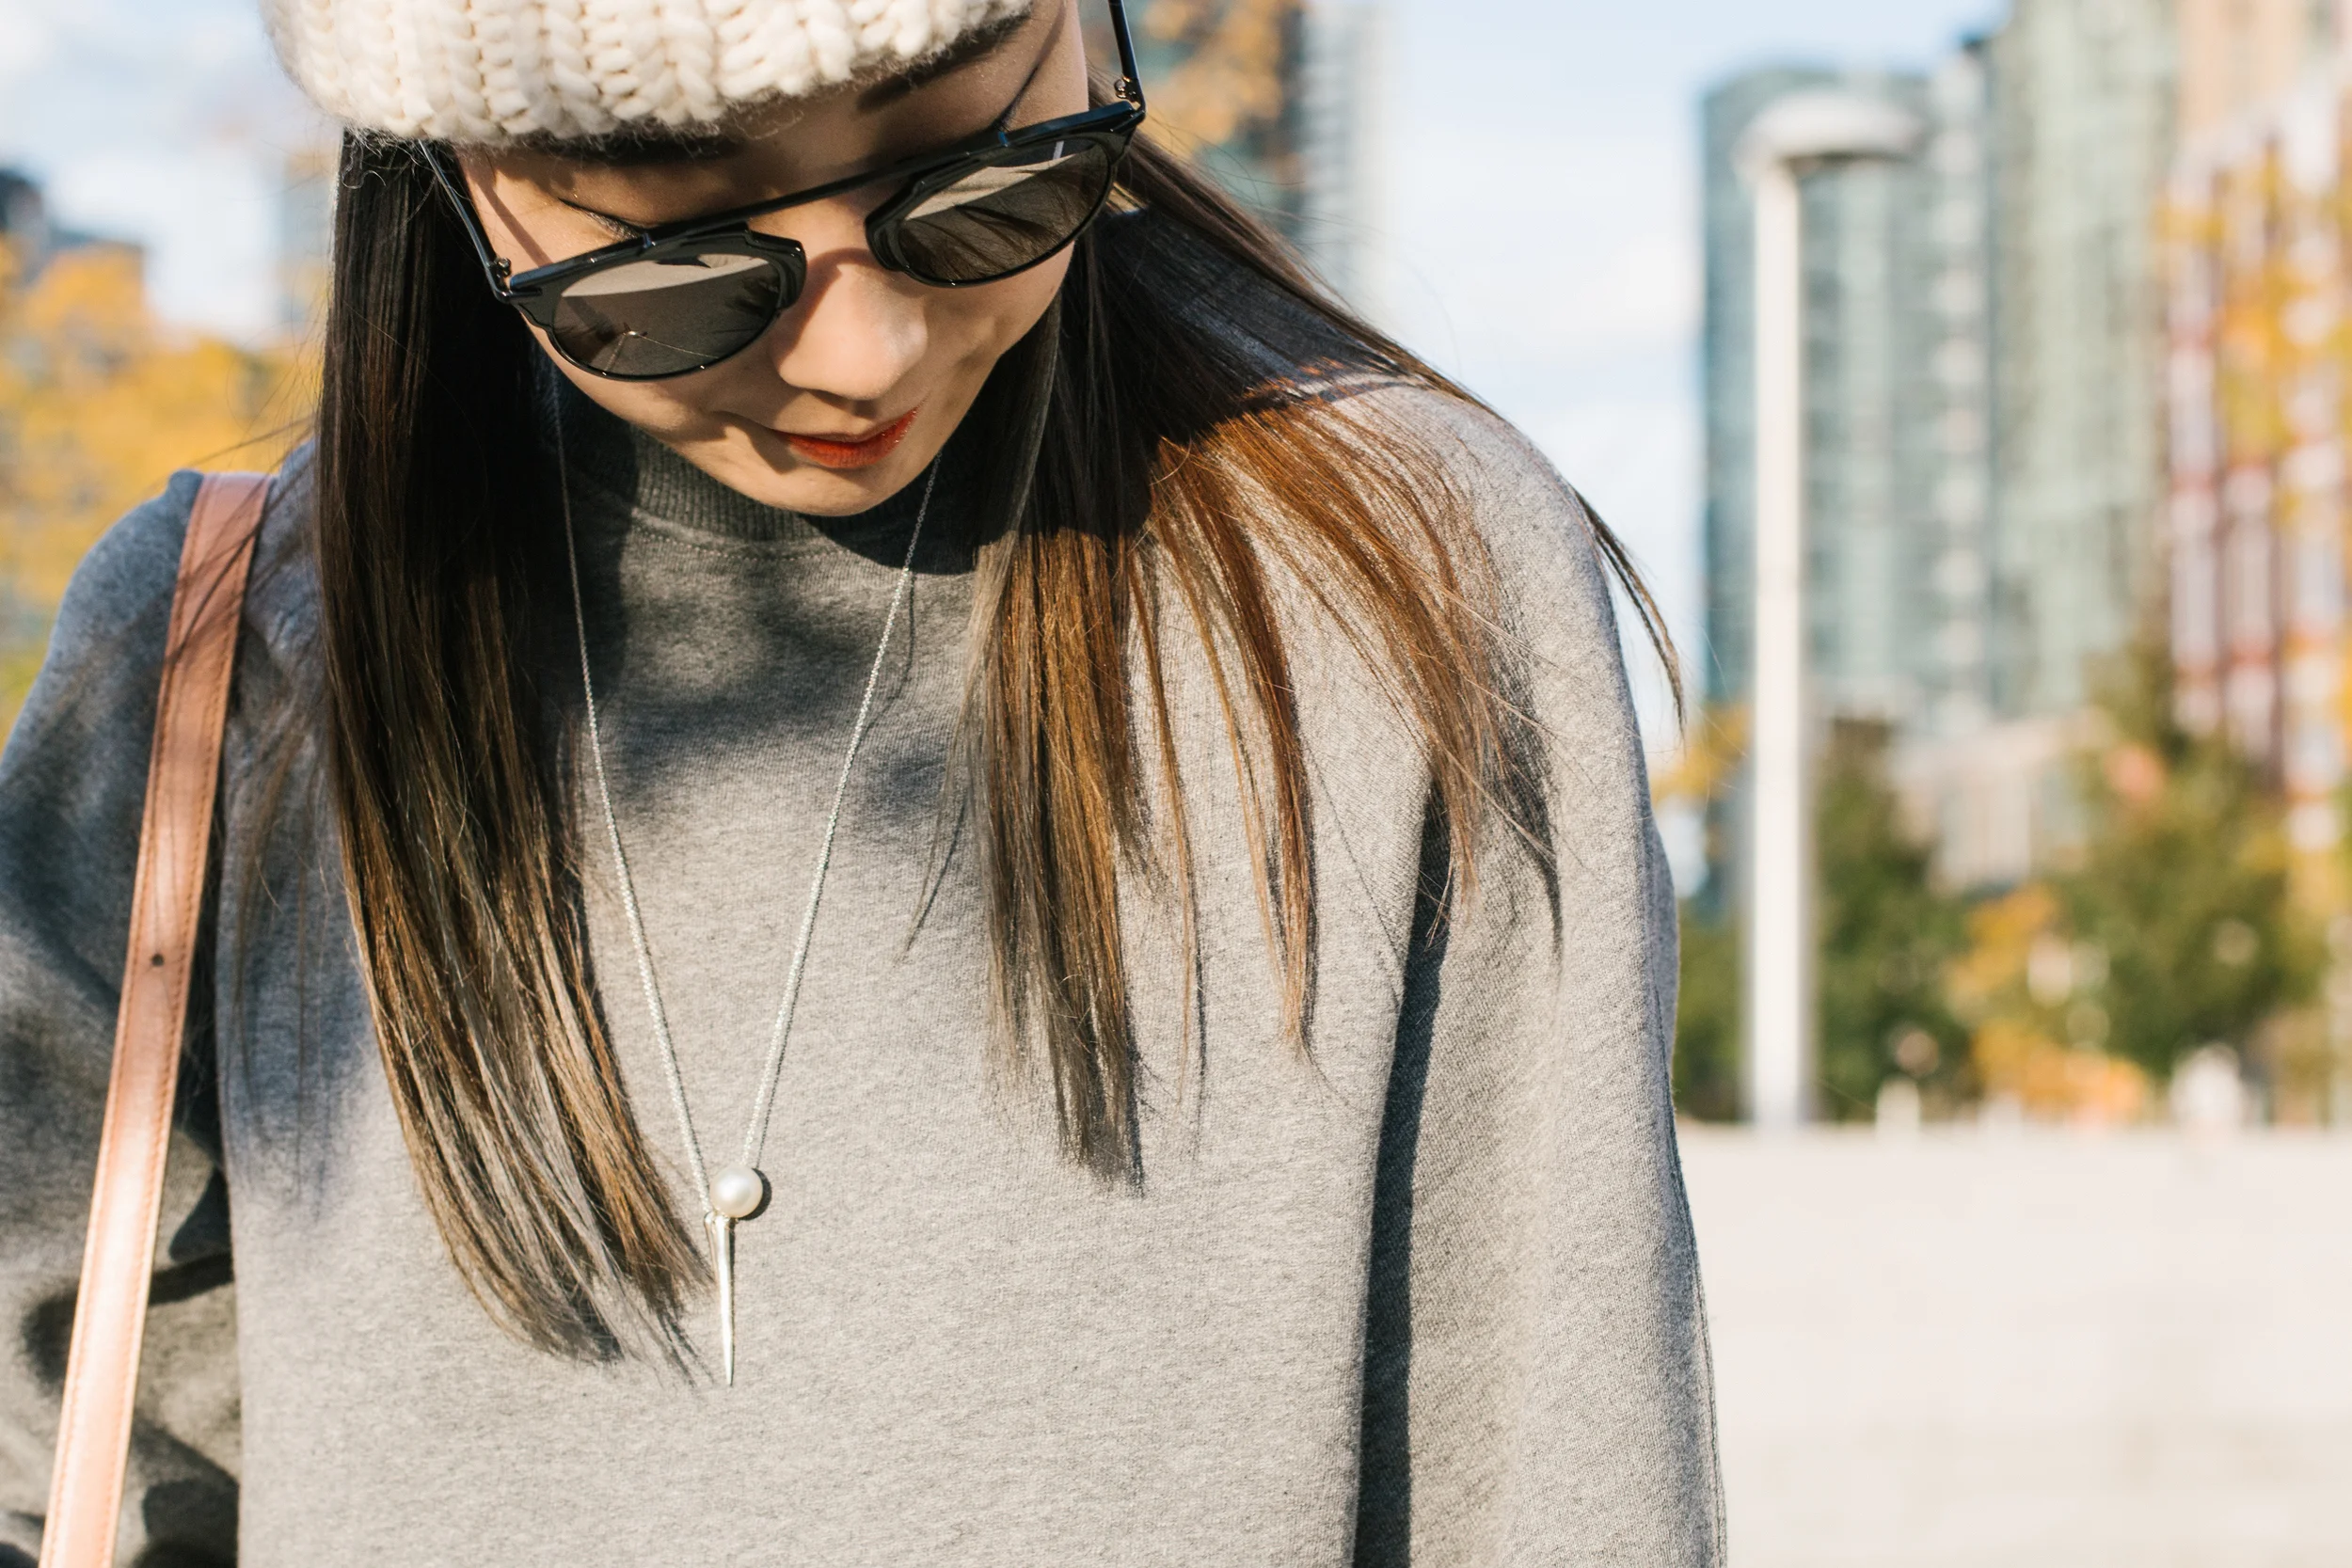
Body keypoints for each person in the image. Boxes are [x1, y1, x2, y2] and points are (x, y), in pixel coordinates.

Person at [0, 0, 1723, 1561]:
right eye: (678, 265)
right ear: (450, 170)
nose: (865, 354)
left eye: (985, 180)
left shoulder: (1398, 581)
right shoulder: (218, 667)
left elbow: (1558, 1483)